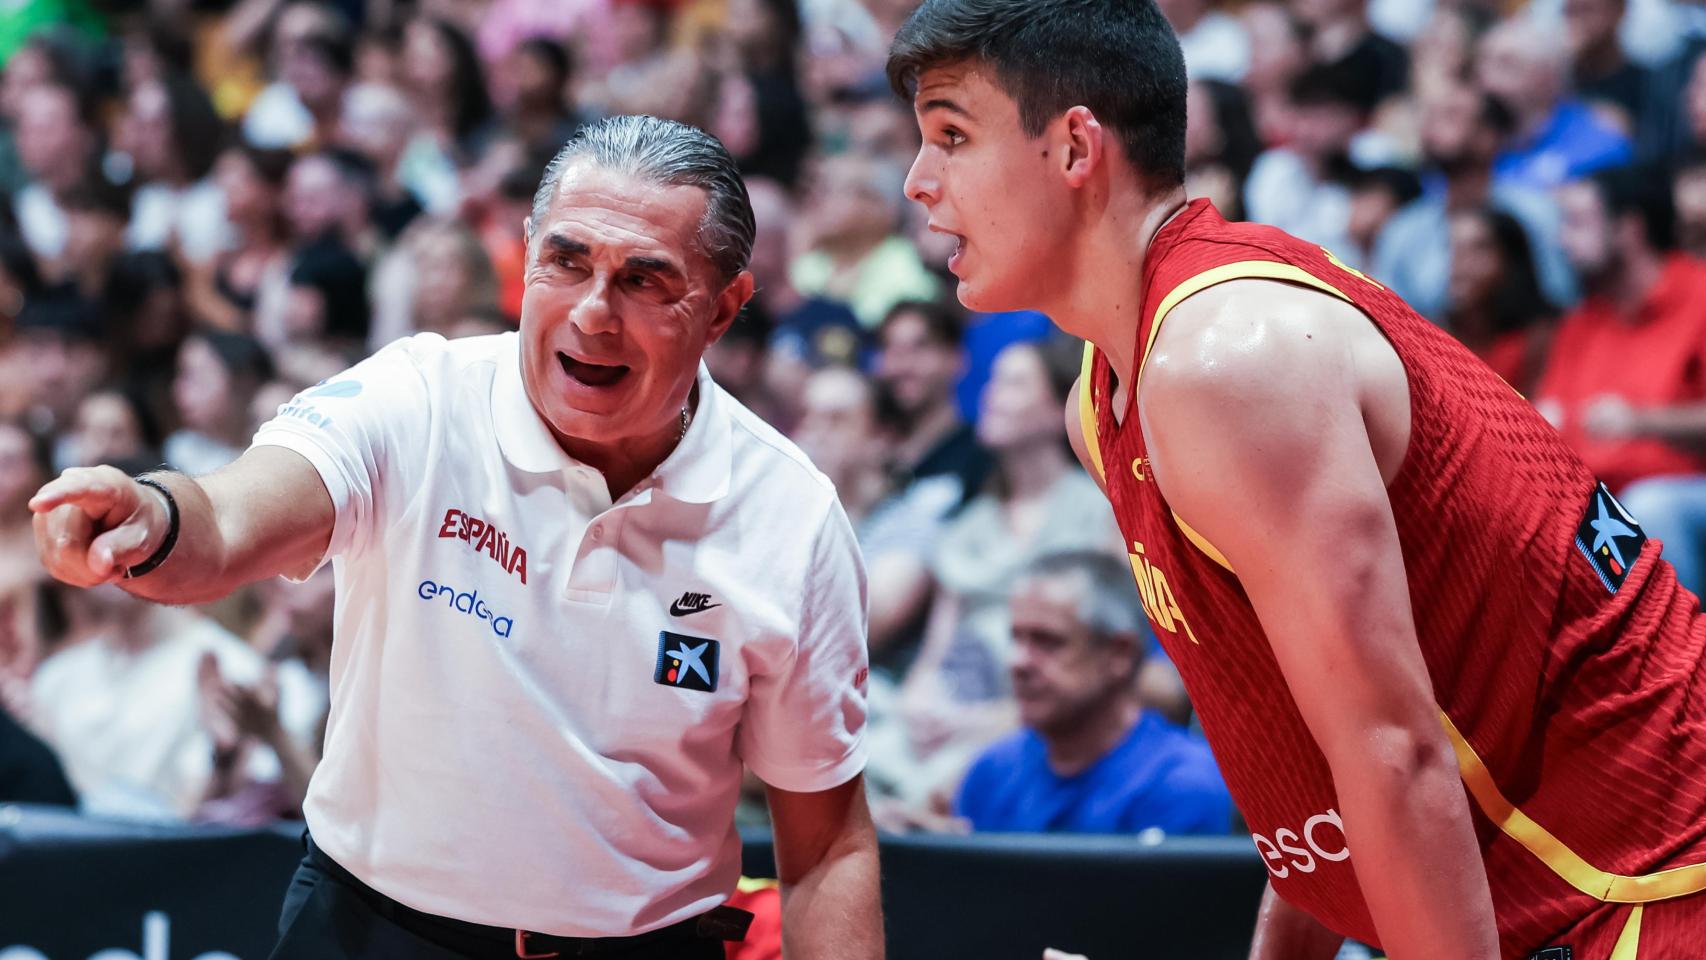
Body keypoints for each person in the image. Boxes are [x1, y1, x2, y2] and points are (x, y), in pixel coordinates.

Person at [889, 1, 1706, 956]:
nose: (916, 182)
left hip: (1650, 872)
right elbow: (1311, 758)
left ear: (1076, 147)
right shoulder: (1105, 397)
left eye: (951, 135)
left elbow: (1391, 753)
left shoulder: (1225, 358)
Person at [31, 115, 880, 960]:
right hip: (368, 931)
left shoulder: (791, 518)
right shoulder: (417, 397)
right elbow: (224, 523)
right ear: (526, 253)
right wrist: (152, 517)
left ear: (725, 308)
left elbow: (827, 847)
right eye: (567, 260)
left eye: (645, 281)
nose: (592, 313)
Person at [955, 551, 1230, 836]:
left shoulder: (1181, 783)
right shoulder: (991, 772)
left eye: (1047, 641)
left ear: (1120, 654)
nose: (1018, 662)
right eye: (1016, 638)